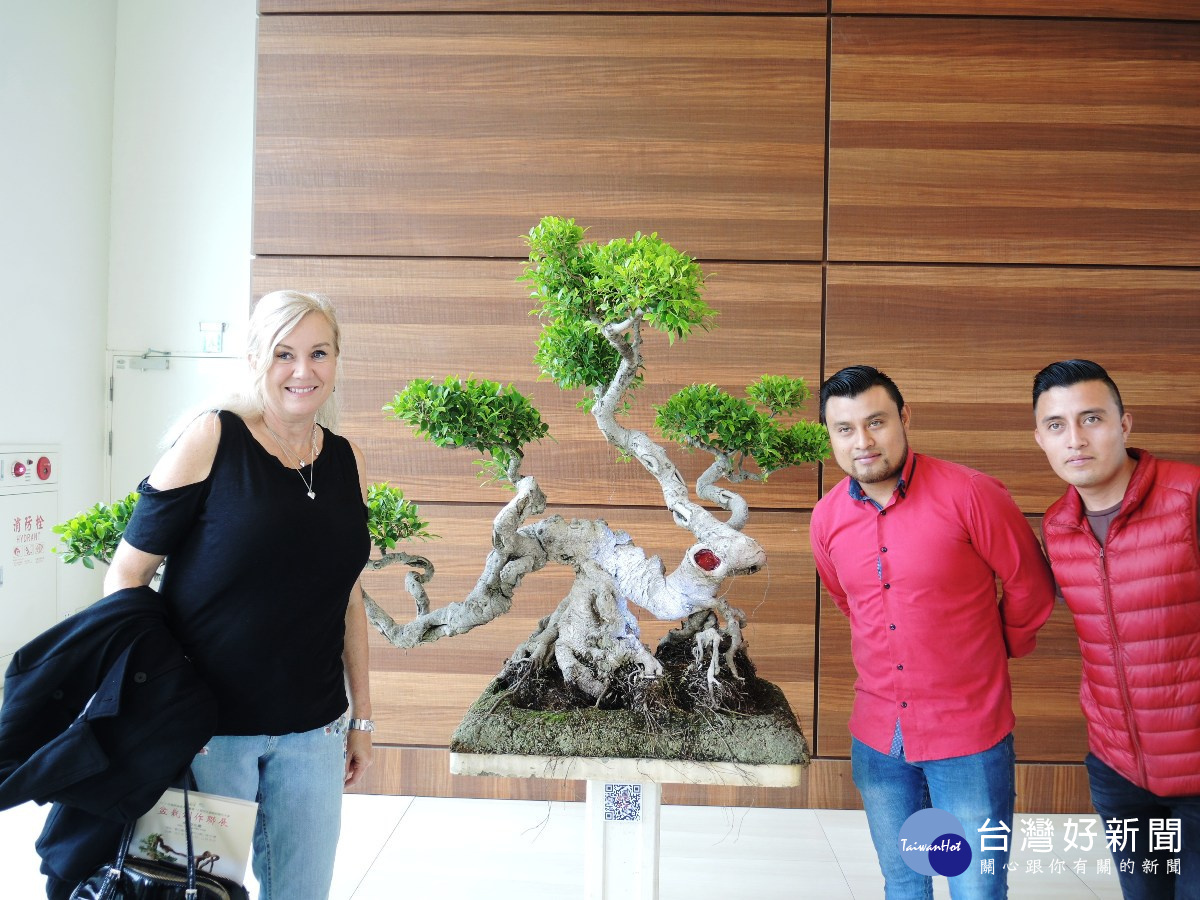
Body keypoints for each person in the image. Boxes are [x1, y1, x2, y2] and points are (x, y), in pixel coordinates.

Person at [101, 290, 374, 900]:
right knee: (195, 892)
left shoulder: (345, 460)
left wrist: (362, 716)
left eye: (319, 353)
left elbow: (349, 594)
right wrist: (162, 703)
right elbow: (125, 576)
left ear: (336, 360)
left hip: (314, 734)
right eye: (284, 353)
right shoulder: (212, 438)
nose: (303, 370)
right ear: (255, 359)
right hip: (208, 734)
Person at [810, 365, 1055, 899]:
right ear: (830, 436)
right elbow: (849, 603)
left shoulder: (972, 494)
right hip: (879, 736)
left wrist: (999, 647)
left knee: (976, 888)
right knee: (904, 882)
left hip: (968, 734)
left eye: (876, 422)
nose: (862, 441)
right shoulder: (826, 518)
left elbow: (1031, 585)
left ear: (905, 417)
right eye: (845, 428)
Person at [1032, 359, 1200, 899]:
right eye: (1056, 425)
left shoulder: (1189, 496)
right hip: (1118, 769)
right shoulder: (1058, 526)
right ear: (1040, 439)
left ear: (1124, 424)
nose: (1075, 439)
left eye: (1092, 418)